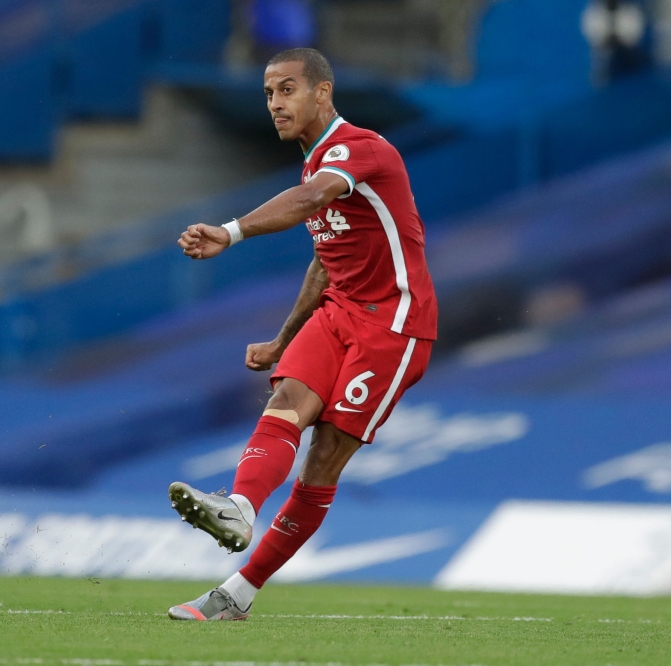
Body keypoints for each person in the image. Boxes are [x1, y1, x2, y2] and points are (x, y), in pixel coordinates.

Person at [168, 48, 438, 621]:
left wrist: (231, 231)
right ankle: (239, 506)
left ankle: (237, 594)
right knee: (286, 398)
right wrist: (283, 340)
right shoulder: (315, 165)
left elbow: (312, 202)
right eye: (268, 93)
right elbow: (325, 259)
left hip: (394, 324)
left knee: (323, 459)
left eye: (287, 89)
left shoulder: (359, 149)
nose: (275, 103)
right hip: (339, 311)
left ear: (323, 92)